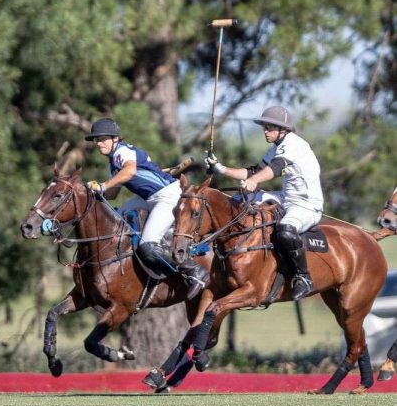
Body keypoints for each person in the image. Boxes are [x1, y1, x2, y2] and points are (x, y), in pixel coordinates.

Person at [204, 106, 323, 300]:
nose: (265, 131)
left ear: (283, 129)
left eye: (269, 127)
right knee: (236, 202)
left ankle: (304, 277)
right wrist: (220, 168)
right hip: (285, 197)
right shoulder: (276, 147)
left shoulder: (294, 145)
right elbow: (253, 171)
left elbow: (274, 169)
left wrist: (255, 181)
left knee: (285, 229)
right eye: (264, 127)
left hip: (307, 204)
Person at [85, 117, 209, 299]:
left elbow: (130, 172)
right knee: (116, 222)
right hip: (148, 198)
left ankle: (194, 271)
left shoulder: (122, 152)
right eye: (96, 140)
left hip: (167, 196)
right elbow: (112, 194)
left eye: (103, 139)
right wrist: (93, 191)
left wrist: (103, 185)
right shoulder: (113, 163)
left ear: (115, 139)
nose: (99, 144)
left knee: (147, 245)